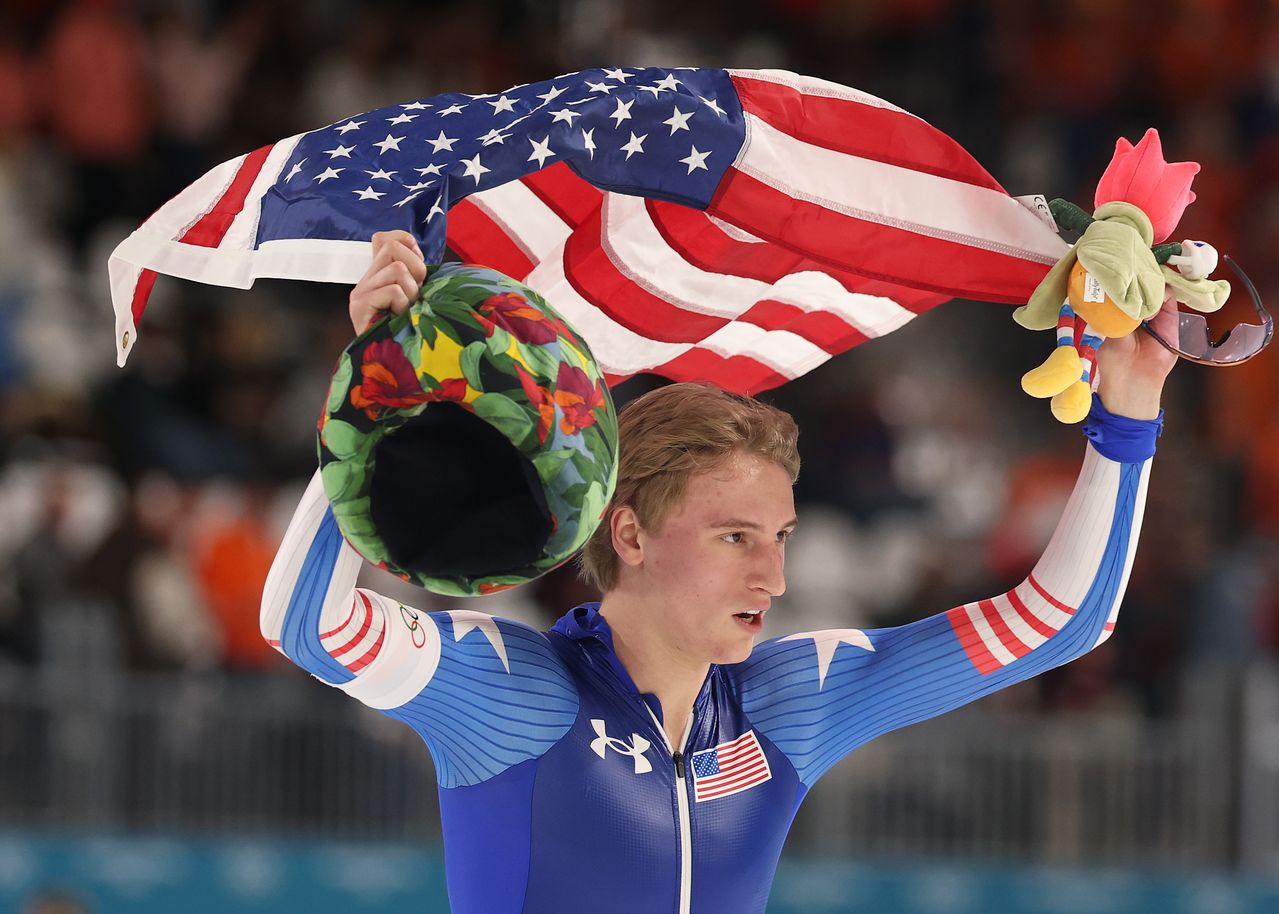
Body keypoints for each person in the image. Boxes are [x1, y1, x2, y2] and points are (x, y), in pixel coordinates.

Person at [261, 230, 1176, 914]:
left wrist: (1127, 418)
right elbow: (305, 624)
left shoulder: (789, 706)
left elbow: (1064, 621)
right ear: (629, 534)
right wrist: (377, 385)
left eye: (779, 537)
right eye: (735, 537)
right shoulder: (511, 698)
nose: (773, 579)